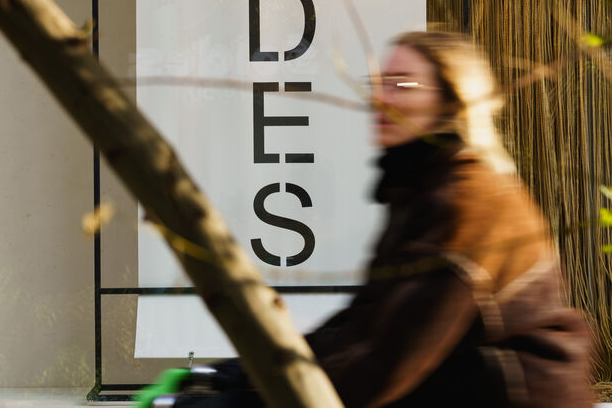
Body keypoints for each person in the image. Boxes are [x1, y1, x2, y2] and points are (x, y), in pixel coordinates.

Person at [176, 32, 593, 408]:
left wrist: (252, 397)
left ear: (452, 101)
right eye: (378, 83)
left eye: (403, 85)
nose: (381, 97)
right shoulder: (421, 189)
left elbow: (385, 365)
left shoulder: (467, 204)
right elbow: (361, 324)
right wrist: (249, 372)